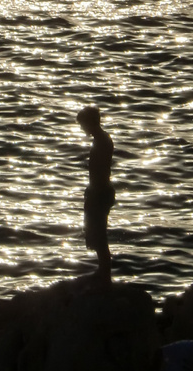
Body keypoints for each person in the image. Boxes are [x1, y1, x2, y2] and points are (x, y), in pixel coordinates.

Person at [77, 105, 115, 285]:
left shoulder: (101, 142)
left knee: (99, 234)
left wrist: (93, 192)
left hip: (100, 192)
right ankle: (102, 270)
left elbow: (100, 172)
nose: (81, 129)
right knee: (97, 233)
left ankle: (104, 274)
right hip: (100, 190)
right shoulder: (102, 139)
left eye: (82, 125)